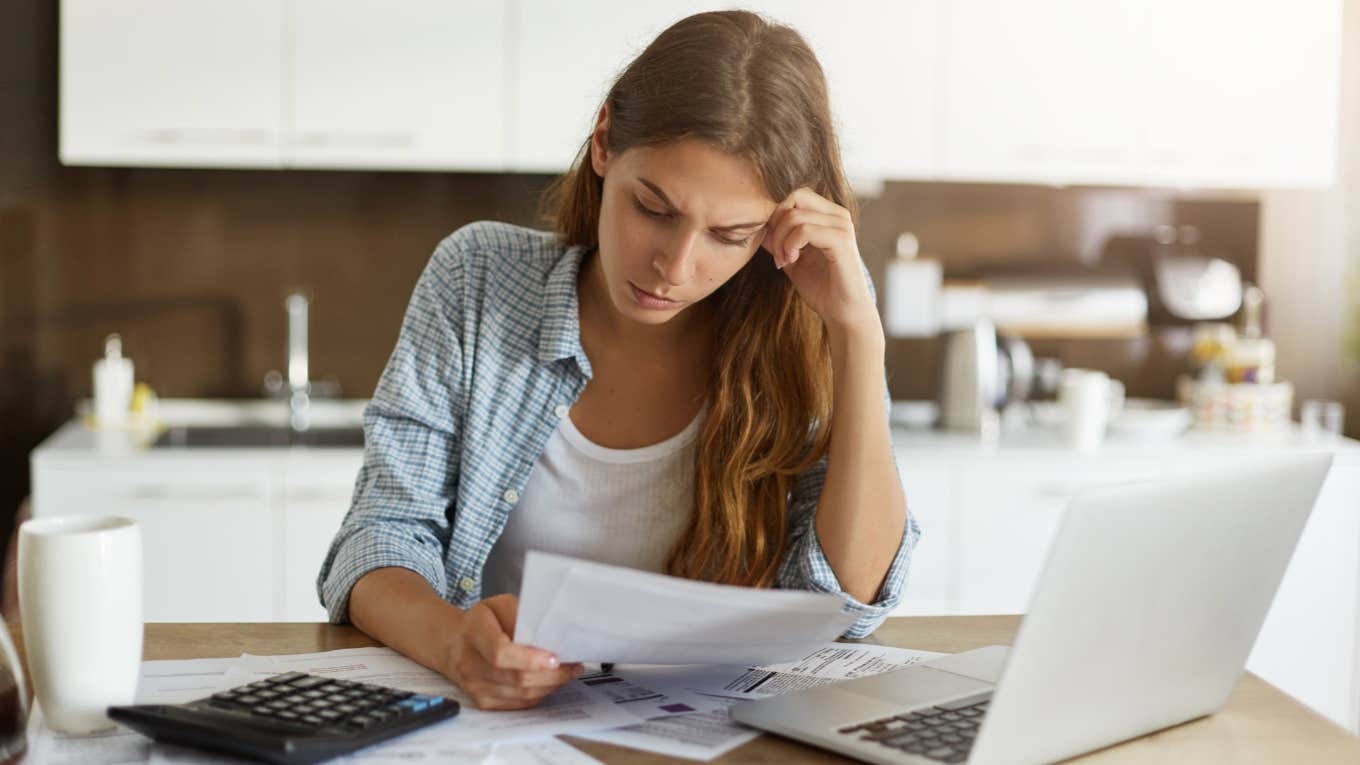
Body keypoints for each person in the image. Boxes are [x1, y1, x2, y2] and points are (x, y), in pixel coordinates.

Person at [317, 9, 920, 711]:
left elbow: (853, 597)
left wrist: (858, 335)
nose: (675, 265)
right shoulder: (476, 278)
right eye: (654, 208)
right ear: (604, 142)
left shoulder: (812, 321)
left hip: (708, 737)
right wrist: (456, 644)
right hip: (499, 728)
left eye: (729, 234)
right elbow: (380, 537)